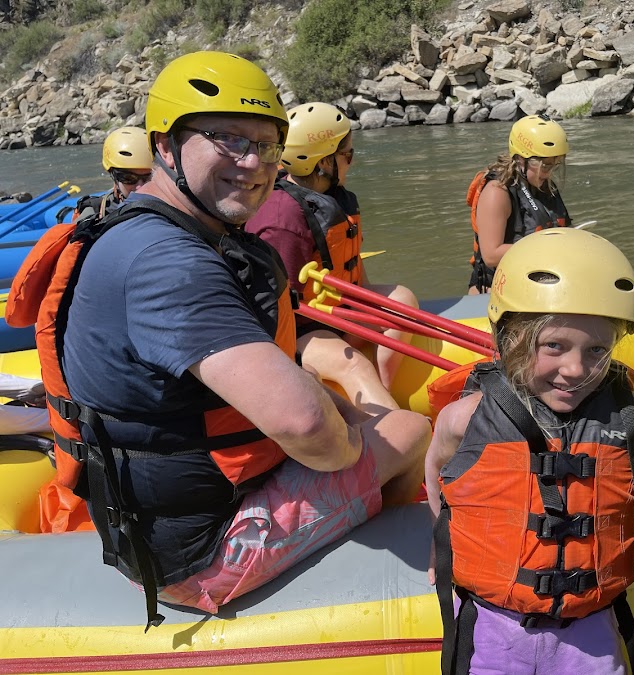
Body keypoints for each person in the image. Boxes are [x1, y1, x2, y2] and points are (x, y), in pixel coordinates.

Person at [6, 51, 430, 628]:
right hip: (199, 554)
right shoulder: (170, 264)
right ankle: (395, 560)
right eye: (227, 138)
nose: (253, 162)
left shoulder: (145, 231)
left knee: (352, 419)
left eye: (266, 143)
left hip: (174, 511)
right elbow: (307, 428)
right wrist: (359, 449)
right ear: (165, 145)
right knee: (407, 429)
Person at [426, 228, 634, 674]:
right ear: (511, 339)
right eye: (554, 346)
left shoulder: (627, 413)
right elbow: (438, 468)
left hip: (591, 626)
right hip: (497, 625)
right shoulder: (466, 417)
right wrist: (442, 539)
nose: (576, 369)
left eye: (598, 350)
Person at [246, 102, 418, 415]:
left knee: (403, 299)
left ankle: (386, 389)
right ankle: (393, 431)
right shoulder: (281, 218)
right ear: (324, 161)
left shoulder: (333, 197)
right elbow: (274, 308)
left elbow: (352, 265)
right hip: (299, 330)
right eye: (347, 155)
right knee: (350, 365)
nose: (352, 162)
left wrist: (368, 308)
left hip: (337, 310)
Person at [466, 114, 572, 294]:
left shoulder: (542, 183)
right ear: (521, 159)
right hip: (497, 288)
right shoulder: (497, 192)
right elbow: (491, 255)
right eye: (544, 165)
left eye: (555, 165)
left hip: (539, 280)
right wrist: (547, 246)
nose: (549, 172)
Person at [68, 126, 153, 221]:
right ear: (114, 177)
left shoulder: (170, 204)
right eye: (129, 178)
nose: (140, 187)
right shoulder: (95, 215)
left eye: (149, 178)